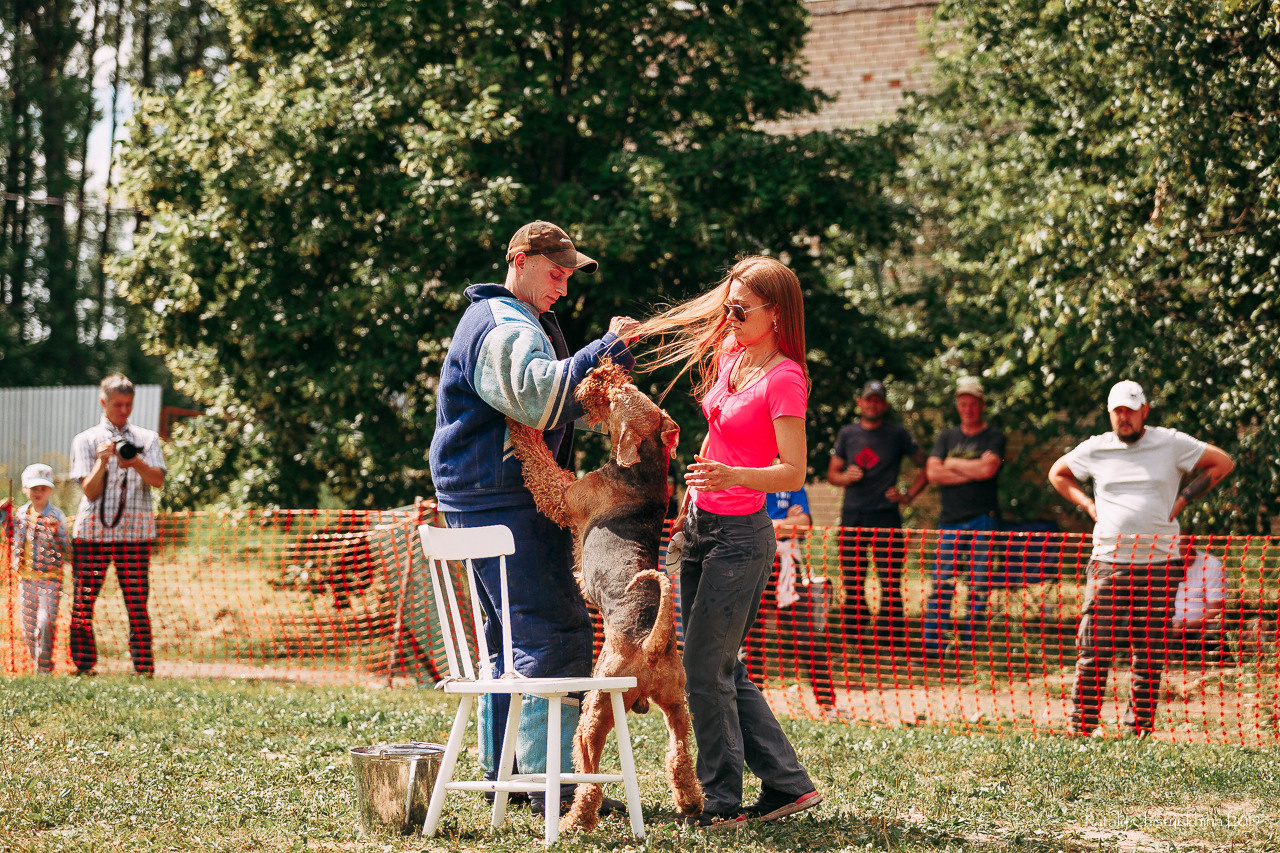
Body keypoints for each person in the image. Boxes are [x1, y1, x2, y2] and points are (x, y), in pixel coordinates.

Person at [428, 220, 638, 816]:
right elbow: (541, 400)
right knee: (552, 634)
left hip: (482, 497)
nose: (563, 287)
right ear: (519, 261)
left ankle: (510, 777)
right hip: (506, 499)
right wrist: (607, 349)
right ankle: (554, 787)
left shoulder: (507, 319)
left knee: (509, 641)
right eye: (555, 273)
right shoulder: (505, 326)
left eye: (569, 276)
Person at [637, 255, 821, 829]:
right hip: (700, 524)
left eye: (742, 309)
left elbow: (793, 471)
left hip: (741, 538)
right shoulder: (730, 354)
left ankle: (720, 802)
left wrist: (733, 476)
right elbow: (718, 432)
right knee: (717, 664)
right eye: (729, 305)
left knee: (702, 667)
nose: (730, 316)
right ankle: (788, 784)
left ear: (776, 313)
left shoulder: (785, 378)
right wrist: (691, 496)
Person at [1048, 380, 1234, 737]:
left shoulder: (1171, 443)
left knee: (1148, 653)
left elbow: (1222, 463)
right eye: (1118, 410)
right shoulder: (1096, 447)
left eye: (1131, 410)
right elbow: (1058, 473)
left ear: (1144, 410)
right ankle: (1081, 726)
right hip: (1108, 562)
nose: (1124, 417)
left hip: (1159, 564)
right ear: (1109, 413)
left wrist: (1183, 499)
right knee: (1093, 647)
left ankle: (1140, 729)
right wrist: (1087, 504)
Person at [69, 373, 166, 676]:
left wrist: (135, 461)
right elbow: (89, 491)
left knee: (137, 603)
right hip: (92, 534)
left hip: (134, 534)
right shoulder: (86, 440)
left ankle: (143, 668)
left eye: (128, 404)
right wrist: (102, 461)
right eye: (117, 405)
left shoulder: (147, 438)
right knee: (83, 601)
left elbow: (158, 480)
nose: (124, 411)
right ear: (104, 402)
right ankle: (84, 666)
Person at [827, 380, 928, 652]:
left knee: (890, 581)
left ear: (884, 405)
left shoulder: (897, 434)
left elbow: (927, 464)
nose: (873, 404)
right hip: (853, 515)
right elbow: (832, 473)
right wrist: (845, 476)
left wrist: (907, 495)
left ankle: (889, 641)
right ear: (859, 402)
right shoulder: (847, 433)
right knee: (853, 581)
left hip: (886, 516)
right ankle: (854, 640)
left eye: (878, 400)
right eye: (868, 399)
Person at [920, 375, 1006, 659]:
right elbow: (933, 473)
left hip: (983, 519)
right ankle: (933, 644)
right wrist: (973, 469)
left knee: (978, 584)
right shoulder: (947, 436)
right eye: (963, 403)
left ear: (982, 405)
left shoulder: (994, 437)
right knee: (941, 582)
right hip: (950, 521)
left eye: (973, 404)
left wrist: (953, 463)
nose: (968, 409)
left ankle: (970, 644)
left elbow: (988, 470)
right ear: (958, 406)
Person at [743, 486, 839, 718]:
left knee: (806, 636)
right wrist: (785, 522)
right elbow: (745, 527)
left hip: (787, 566)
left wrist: (768, 525)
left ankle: (827, 704)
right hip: (753, 563)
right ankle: (751, 707)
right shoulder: (747, 478)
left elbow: (803, 523)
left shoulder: (792, 482)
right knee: (750, 640)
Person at [11, 464, 70, 673]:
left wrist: (56, 533)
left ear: (50, 490)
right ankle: (38, 664)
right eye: (34, 488)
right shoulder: (21, 514)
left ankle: (44, 667)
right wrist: (4, 517)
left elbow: (67, 548)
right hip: (26, 579)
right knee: (28, 627)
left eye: (43, 488)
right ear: (25, 489)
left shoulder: (57, 515)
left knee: (46, 622)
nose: (38, 492)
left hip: (50, 579)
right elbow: (11, 537)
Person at [1172, 545, 1229, 664]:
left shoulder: (1212, 565)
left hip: (1200, 628)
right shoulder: (1158, 564)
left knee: (1212, 640)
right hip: (1165, 627)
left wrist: (1184, 627)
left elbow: (1215, 611)